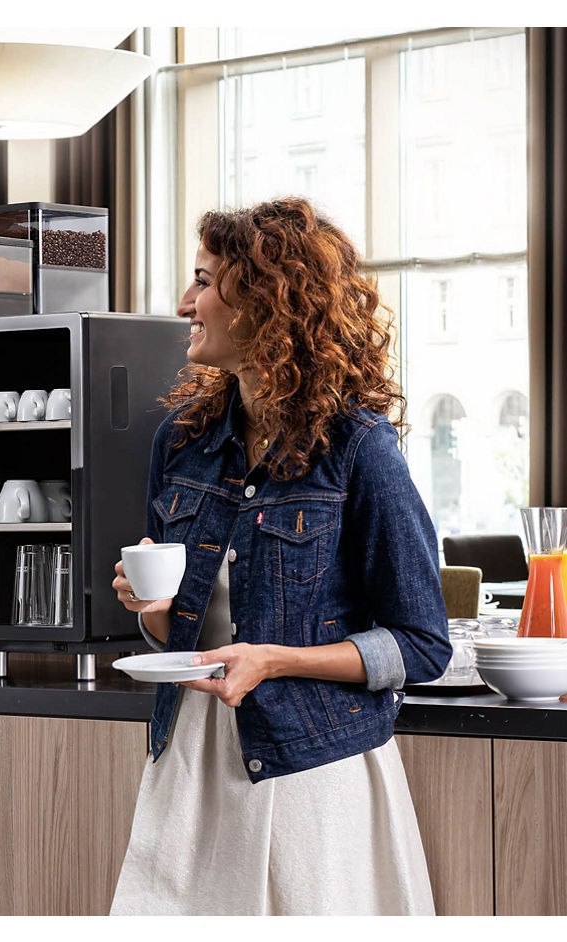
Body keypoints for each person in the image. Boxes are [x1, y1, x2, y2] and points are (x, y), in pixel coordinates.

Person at [108, 197, 450, 916]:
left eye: (202, 281)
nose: (184, 302)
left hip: (309, 770)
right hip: (191, 762)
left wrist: (274, 660)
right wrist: (154, 610)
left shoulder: (358, 450)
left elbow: (420, 645)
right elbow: (180, 636)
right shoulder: (180, 441)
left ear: (265, 304)